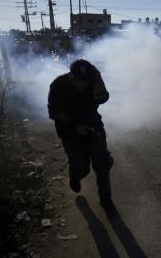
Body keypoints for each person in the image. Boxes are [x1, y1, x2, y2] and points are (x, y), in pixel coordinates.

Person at [48, 59, 115, 212]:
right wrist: (75, 126)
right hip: (70, 133)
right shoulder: (58, 85)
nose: (83, 84)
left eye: (85, 80)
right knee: (82, 168)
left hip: (94, 128)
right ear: (71, 76)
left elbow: (102, 98)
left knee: (102, 166)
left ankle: (106, 201)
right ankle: (75, 176)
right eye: (79, 80)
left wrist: (98, 77)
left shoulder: (93, 81)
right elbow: (54, 112)